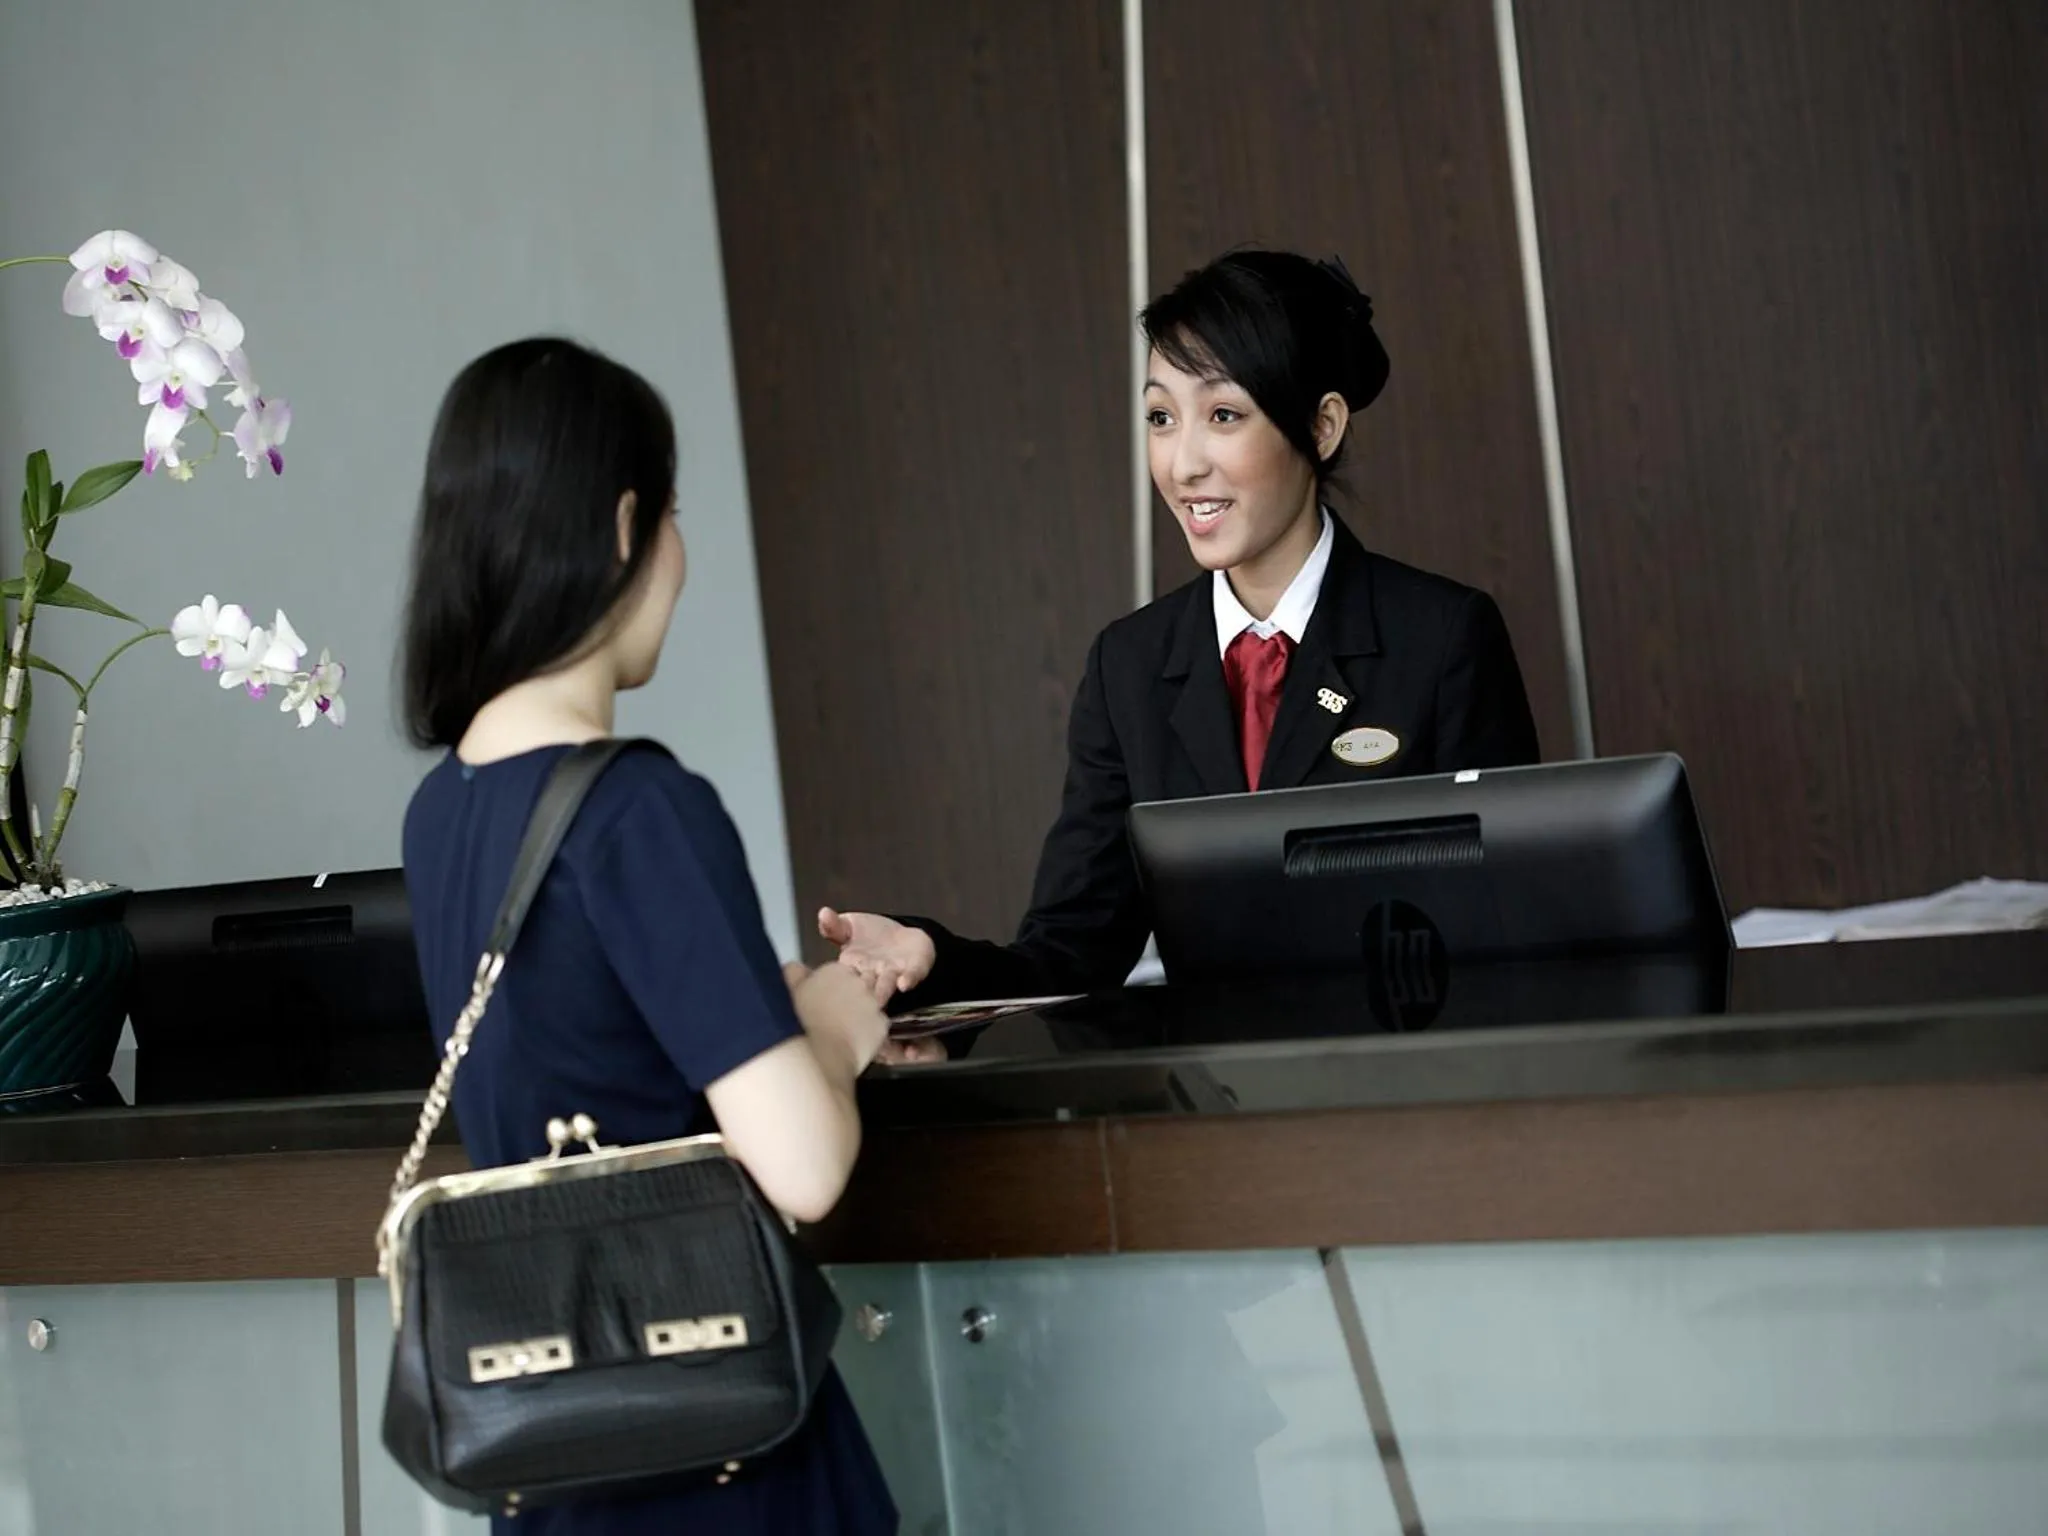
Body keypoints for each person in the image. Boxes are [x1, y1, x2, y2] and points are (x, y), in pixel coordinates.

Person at [399, 337, 899, 1536]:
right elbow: (805, 1167)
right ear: (623, 526)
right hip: (727, 1463)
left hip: (557, 1467)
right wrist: (832, 1023)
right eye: (671, 512)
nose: (679, 553)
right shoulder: (636, 809)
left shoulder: (440, 814)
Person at [823, 250, 1540, 1007]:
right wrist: (933, 955)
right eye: (1161, 418)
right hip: (1214, 1110)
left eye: (1223, 415)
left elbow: (1511, 922)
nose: (1183, 464)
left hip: (1409, 1095)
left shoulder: (1441, 638)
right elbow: (1071, 953)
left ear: (1322, 427)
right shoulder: (1128, 666)